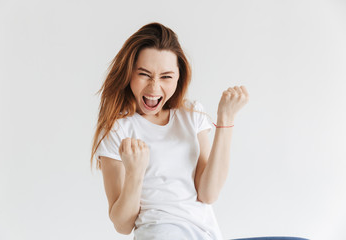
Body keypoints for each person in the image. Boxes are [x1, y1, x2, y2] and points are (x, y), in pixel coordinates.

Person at [90, 22, 307, 240]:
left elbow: (208, 193)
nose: (154, 87)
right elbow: (122, 225)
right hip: (160, 233)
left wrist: (226, 119)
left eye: (166, 76)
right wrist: (135, 174)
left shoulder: (191, 114)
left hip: (206, 234)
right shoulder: (117, 129)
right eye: (144, 74)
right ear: (129, 74)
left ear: (178, 77)